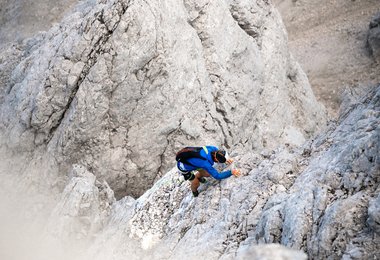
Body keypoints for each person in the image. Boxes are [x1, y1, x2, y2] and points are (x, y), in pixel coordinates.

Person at [176, 146, 241, 197]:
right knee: (196, 183)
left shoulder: (214, 149)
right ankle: (194, 191)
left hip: (196, 163)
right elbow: (217, 176)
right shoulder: (205, 164)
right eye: (220, 161)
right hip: (184, 167)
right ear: (216, 159)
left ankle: (198, 177)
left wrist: (226, 159)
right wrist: (231, 172)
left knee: (207, 174)